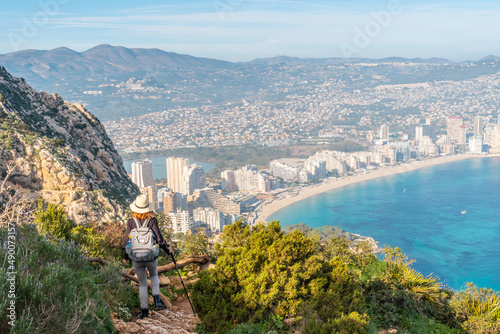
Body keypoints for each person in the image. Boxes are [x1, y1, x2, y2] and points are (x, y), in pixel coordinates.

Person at [122, 194, 173, 319]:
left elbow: (127, 241)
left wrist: (125, 256)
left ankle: (144, 311)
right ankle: (157, 302)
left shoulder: (130, 222)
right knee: (154, 274)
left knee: (143, 283)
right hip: (150, 257)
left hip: (136, 258)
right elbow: (160, 240)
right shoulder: (152, 220)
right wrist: (168, 250)